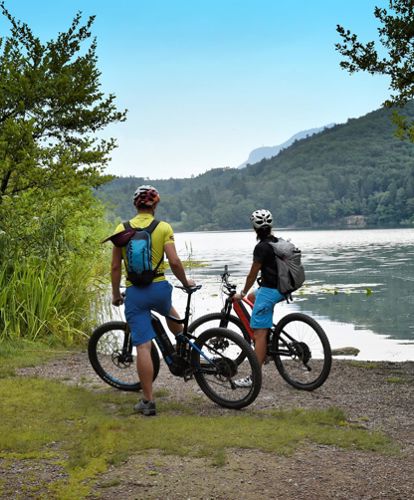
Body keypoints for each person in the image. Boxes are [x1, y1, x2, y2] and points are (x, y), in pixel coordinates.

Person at [110, 185, 195, 416]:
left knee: (143, 346)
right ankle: (182, 343)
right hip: (159, 288)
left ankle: (148, 402)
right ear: (155, 205)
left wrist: (116, 294)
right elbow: (175, 262)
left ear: (135, 206)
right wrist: (186, 282)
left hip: (135, 293)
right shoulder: (163, 227)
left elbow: (116, 266)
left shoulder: (122, 228)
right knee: (168, 309)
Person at [233, 209, 285, 387]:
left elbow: (252, 274)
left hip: (270, 291)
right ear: (271, 226)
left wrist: (241, 292)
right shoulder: (278, 242)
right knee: (253, 298)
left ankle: (254, 377)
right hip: (282, 288)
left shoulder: (261, 247)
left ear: (254, 228)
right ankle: (267, 344)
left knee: (258, 333)